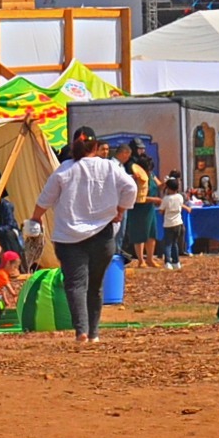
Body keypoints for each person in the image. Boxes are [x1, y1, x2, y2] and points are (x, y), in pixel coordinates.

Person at [34, 127, 136, 343]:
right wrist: (121, 209)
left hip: (69, 237)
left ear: (74, 146)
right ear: (96, 147)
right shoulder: (109, 167)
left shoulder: (64, 170)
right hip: (103, 235)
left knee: (76, 285)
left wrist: (34, 219)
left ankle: (81, 330)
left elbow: (44, 200)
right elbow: (131, 188)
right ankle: (94, 333)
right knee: (95, 286)